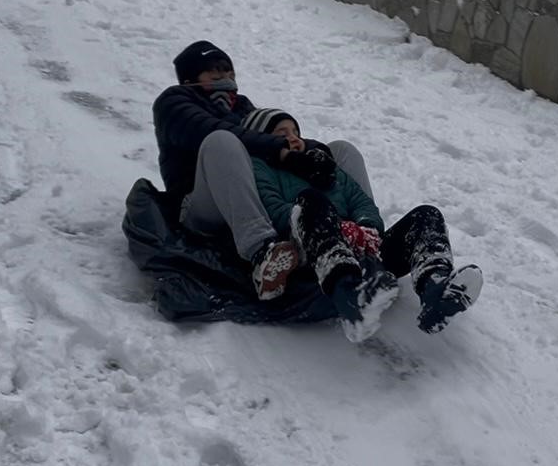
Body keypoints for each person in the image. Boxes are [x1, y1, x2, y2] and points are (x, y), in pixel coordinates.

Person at [151, 40, 375, 301]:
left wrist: (312, 152)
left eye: (229, 71)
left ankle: (366, 240)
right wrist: (282, 151)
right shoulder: (174, 101)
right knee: (221, 141)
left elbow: (272, 134)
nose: (226, 77)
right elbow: (206, 130)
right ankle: (263, 253)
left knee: (341, 150)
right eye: (215, 71)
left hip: (252, 197)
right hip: (203, 205)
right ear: (191, 77)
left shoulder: (242, 107)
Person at [244, 108, 483, 342]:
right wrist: (335, 227)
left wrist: (365, 228)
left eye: (295, 130)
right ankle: (349, 297)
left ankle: (435, 289)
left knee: (426, 215)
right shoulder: (261, 168)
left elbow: (362, 203)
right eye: (281, 133)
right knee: (311, 201)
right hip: (312, 253)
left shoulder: (325, 167)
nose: (294, 137)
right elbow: (274, 210)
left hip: (362, 246)